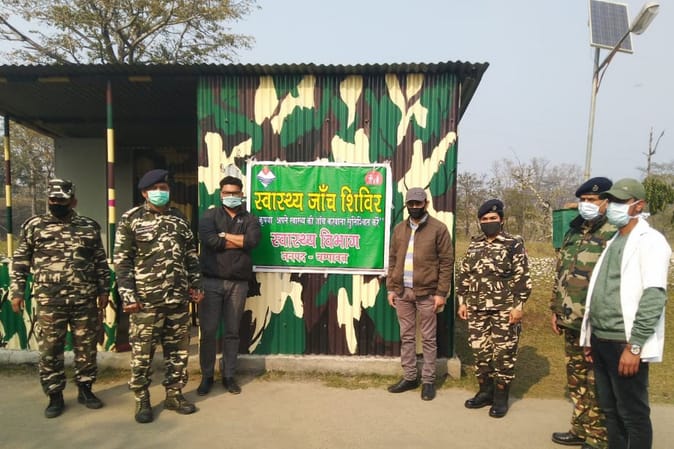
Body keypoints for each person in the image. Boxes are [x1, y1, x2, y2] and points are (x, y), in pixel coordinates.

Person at [580, 178, 671, 449]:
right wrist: (590, 336)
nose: (613, 206)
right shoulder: (614, 240)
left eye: (621, 201)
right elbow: (601, 291)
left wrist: (635, 346)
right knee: (611, 411)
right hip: (601, 339)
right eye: (612, 201)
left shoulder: (651, 241)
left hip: (625, 342)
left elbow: (654, 296)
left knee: (633, 414)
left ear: (638, 205)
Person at [10, 179, 110, 418]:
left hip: (84, 300)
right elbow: (21, 261)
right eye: (53, 199)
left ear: (73, 201)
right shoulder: (34, 226)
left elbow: (100, 261)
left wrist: (104, 290)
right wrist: (17, 292)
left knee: (86, 348)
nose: (56, 203)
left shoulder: (88, 226)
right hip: (49, 301)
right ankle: (54, 395)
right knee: (50, 349)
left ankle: (85, 389)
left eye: (62, 200)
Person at [114, 169, 204, 424]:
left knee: (178, 353)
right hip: (146, 302)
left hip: (177, 299)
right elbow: (122, 261)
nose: (160, 192)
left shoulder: (179, 219)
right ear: (144, 193)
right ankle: (142, 399)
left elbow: (190, 255)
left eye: (164, 188)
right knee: (142, 354)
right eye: (155, 189)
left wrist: (196, 285)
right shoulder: (131, 219)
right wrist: (128, 295)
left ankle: (174, 395)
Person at [550, 177, 615, 449]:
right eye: (583, 200)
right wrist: (555, 309)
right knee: (576, 377)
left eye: (592, 200)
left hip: (596, 322)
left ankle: (597, 436)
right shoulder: (573, 231)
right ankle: (579, 427)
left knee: (596, 380)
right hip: (570, 318)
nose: (586, 204)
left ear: (606, 202)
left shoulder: (613, 233)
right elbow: (561, 272)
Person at [457, 198, 532, 418]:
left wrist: (518, 306)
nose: (488, 222)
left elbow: (522, 276)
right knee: (480, 351)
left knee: (503, 353)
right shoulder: (475, 243)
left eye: (492, 218)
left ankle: (500, 397)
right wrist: (462, 301)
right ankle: (485, 392)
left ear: (502, 220)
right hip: (476, 308)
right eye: (484, 219)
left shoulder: (513, 243)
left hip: (504, 309)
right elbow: (465, 274)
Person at [385, 187, 454, 401]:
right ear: (406, 205)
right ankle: (410, 377)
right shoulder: (399, 229)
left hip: (427, 293)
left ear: (426, 204)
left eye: (418, 203)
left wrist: (441, 293)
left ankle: (428, 381)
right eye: (411, 204)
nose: (414, 207)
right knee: (406, 336)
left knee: (428, 338)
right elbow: (393, 259)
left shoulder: (439, 229)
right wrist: (391, 288)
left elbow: (447, 262)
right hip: (402, 292)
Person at [196, 175, 261, 396]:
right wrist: (237, 240)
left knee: (232, 332)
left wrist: (224, 236)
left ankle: (229, 375)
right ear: (220, 194)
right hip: (211, 281)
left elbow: (252, 241)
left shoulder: (250, 218)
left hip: (238, 284)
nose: (231, 196)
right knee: (208, 331)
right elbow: (210, 241)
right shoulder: (210, 216)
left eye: (235, 193)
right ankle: (207, 376)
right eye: (227, 193)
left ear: (241, 194)